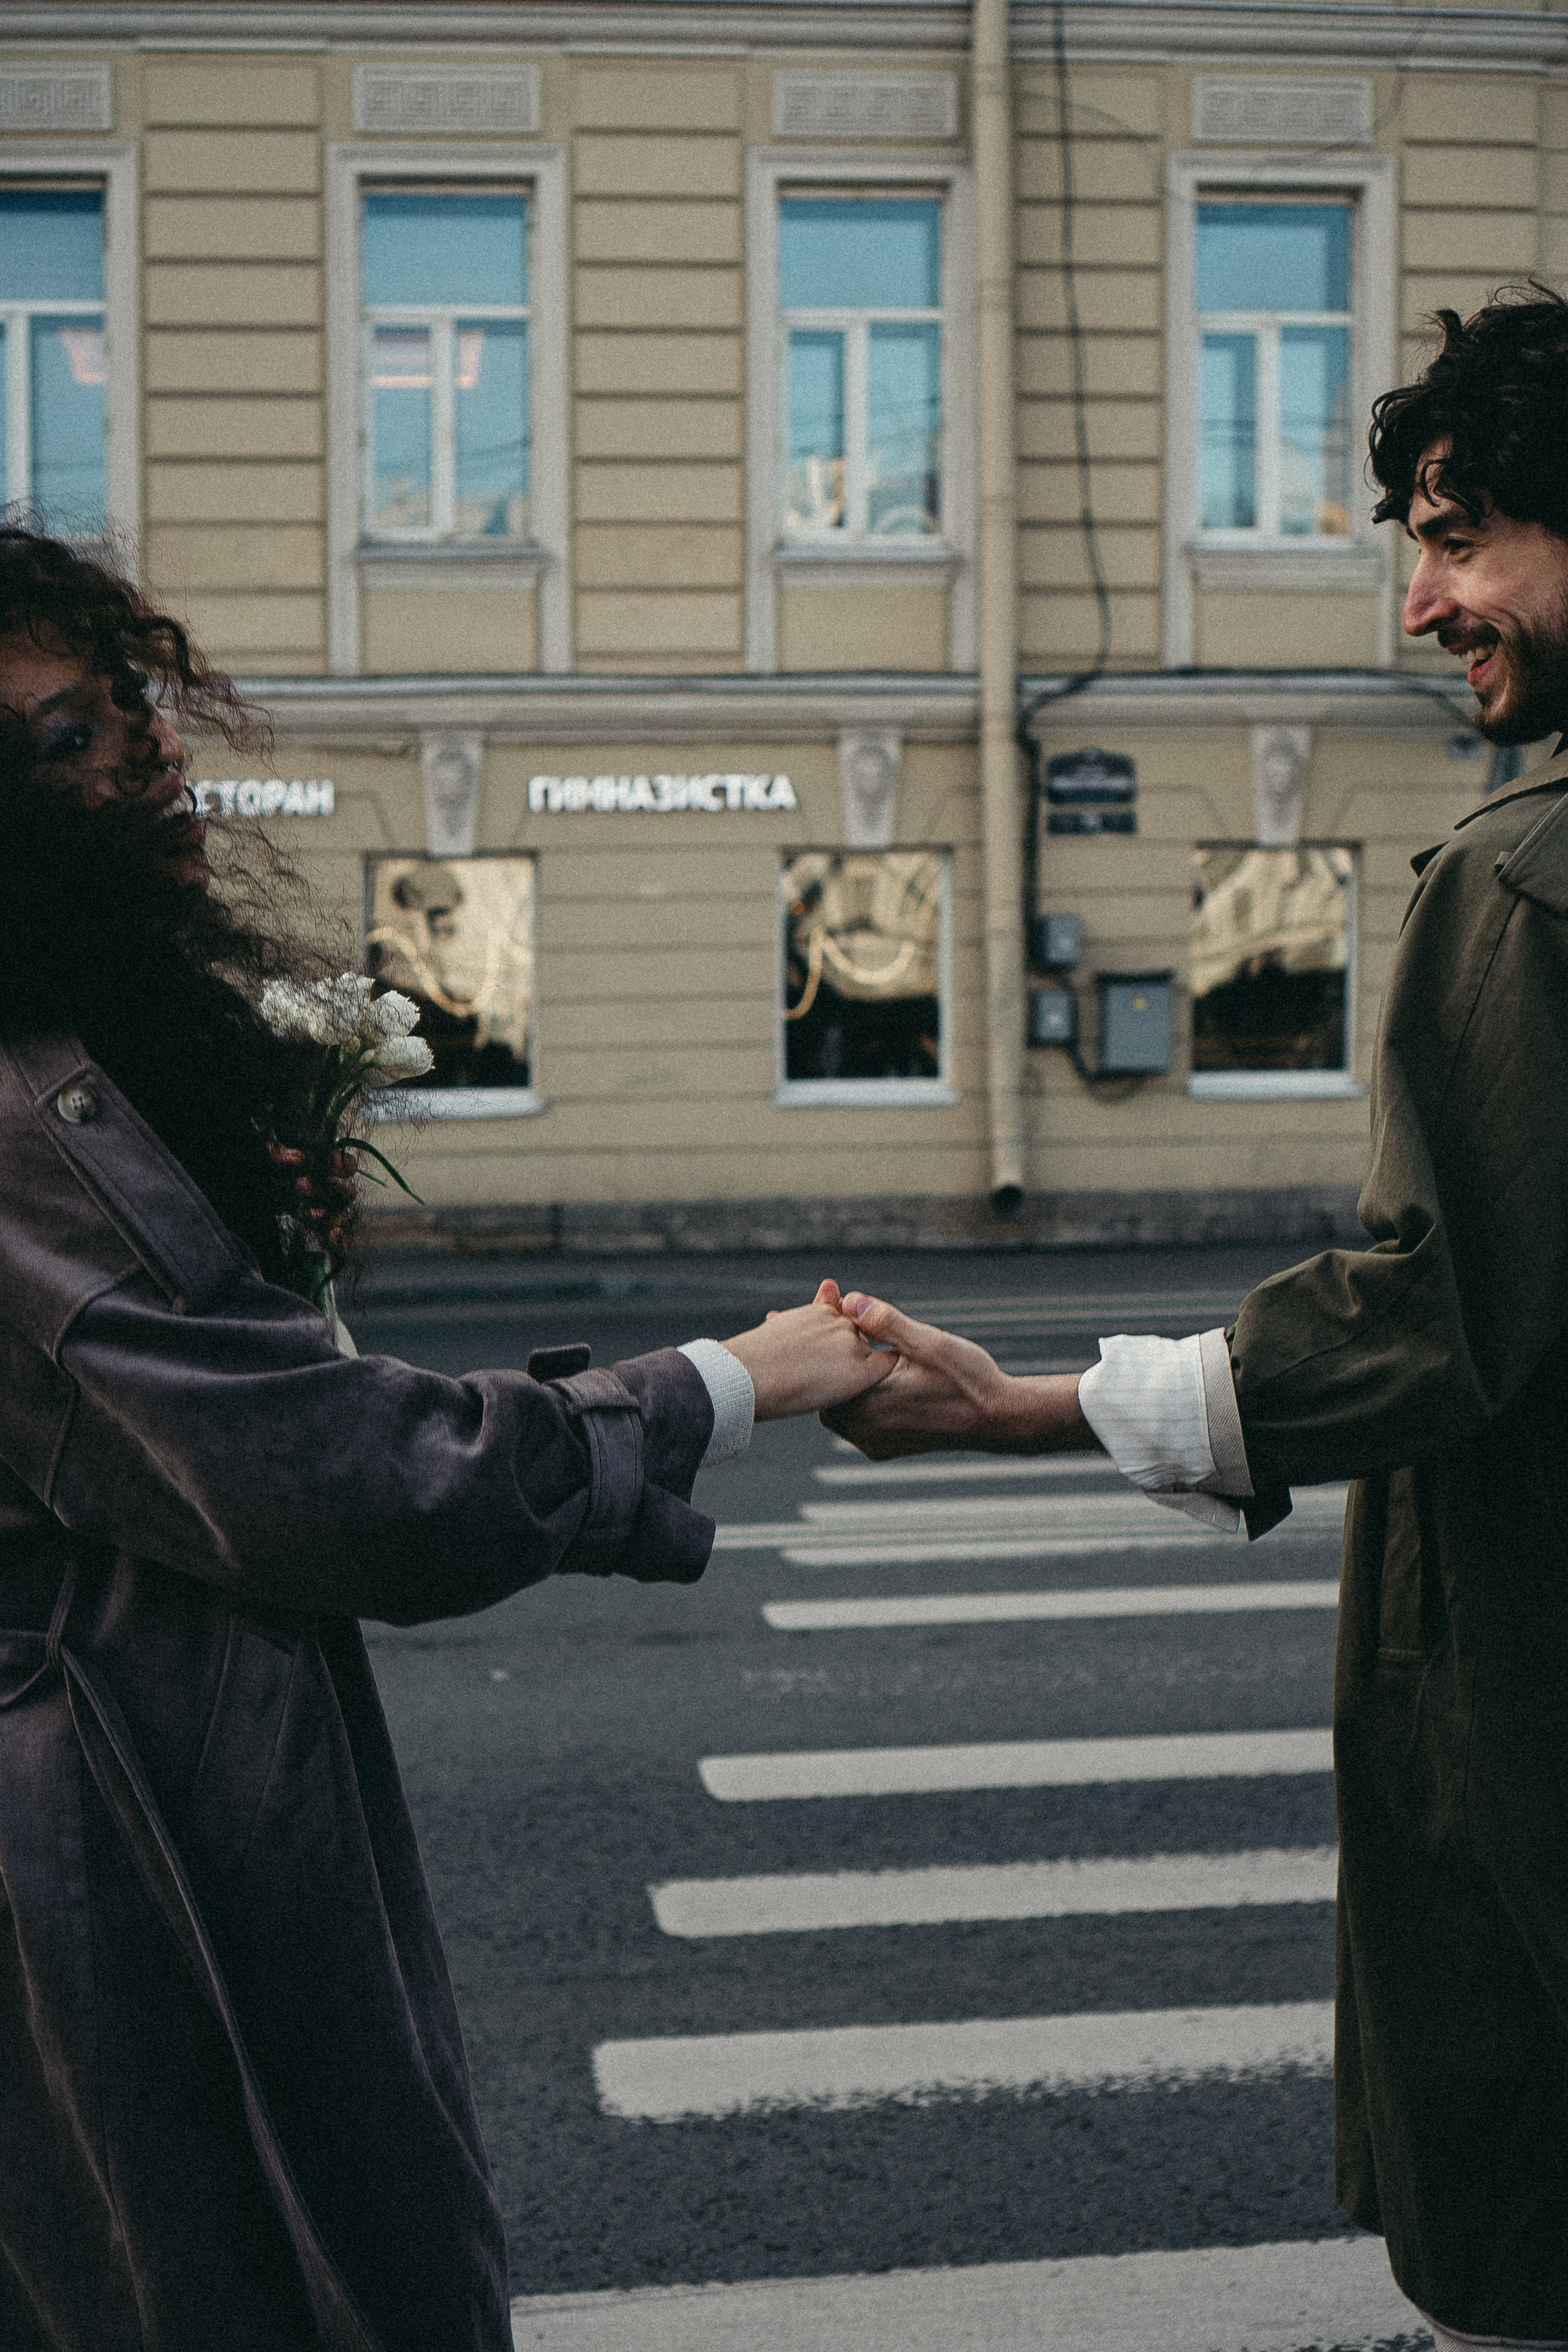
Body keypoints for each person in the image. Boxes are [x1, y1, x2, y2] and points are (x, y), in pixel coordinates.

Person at [0, 524, 892, 2352]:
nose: (151, 754)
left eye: (137, 704)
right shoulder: (23, 1123)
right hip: (112, 1843)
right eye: (73, 736)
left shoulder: (66, 1045)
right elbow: (345, 1482)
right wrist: (735, 1379)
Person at [827, 285, 1568, 2352]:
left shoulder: (1525, 882)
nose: (1425, 602)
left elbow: (1435, 1316)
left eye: (1463, 531)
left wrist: (1029, 1411)